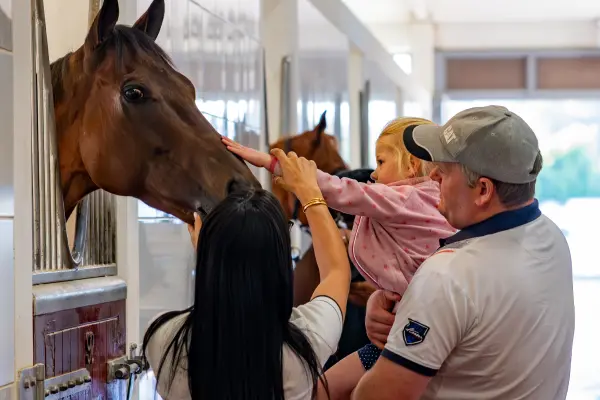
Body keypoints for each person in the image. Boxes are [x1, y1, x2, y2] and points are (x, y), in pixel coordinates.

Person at [222, 117, 456, 398]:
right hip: (403, 334)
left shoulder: (406, 198)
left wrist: (277, 166)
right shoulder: (437, 202)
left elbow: (344, 191)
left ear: (412, 166)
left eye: (381, 162)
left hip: (406, 342)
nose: (375, 175)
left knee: (321, 390)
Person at [353, 105, 575, 400]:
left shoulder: (448, 274)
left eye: (443, 170)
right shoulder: (551, 237)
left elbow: (378, 396)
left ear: (483, 190)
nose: (432, 177)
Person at [141, 149, 351, 400]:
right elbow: (336, 272)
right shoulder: (306, 341)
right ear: (280, 261)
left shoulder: (163, 340)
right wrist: (309, 192)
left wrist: (213, 251)